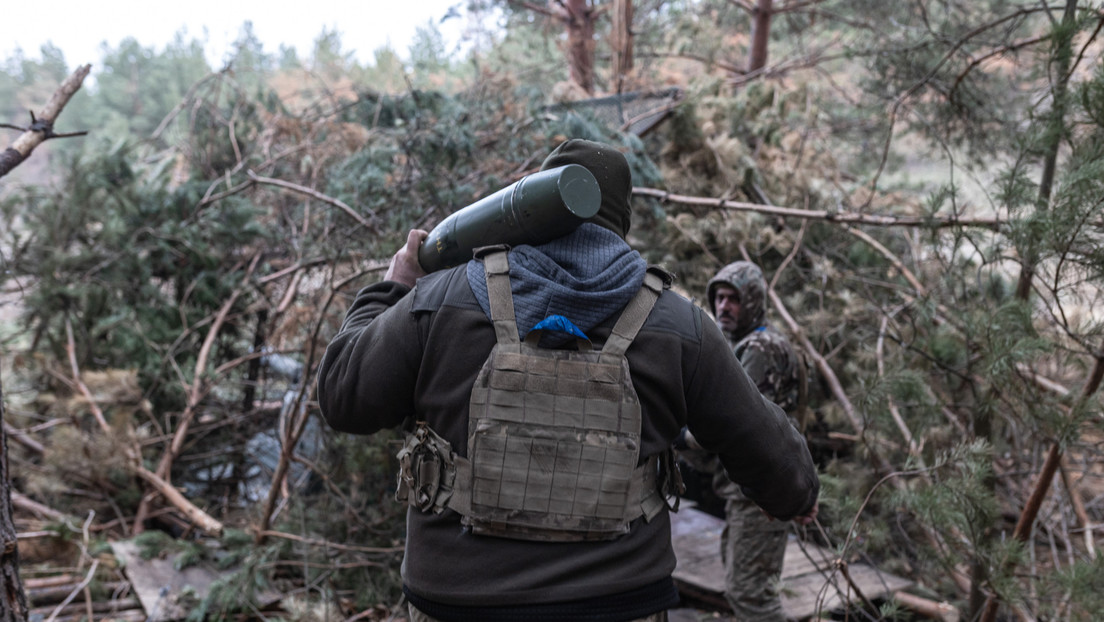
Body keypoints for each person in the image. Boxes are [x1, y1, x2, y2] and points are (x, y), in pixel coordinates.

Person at [316, 138, 819, 622]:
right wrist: (795, 496)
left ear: (533, 204)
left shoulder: (439, 298)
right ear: (621, 224)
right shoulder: (679, 327)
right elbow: (768, 450)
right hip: (619, 601)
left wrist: (392, 289)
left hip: (456, 601)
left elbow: (342, 395)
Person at [679, 260, 810, 621]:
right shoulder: (745, 346)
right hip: (751, 492)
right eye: (719, 298)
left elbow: (733, 422)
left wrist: (682, 437)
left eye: (734, 299)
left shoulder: (762, 348)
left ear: (752, 301)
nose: (724, 306)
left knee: (752, 596)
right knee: (743, 588)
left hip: (761, 494)